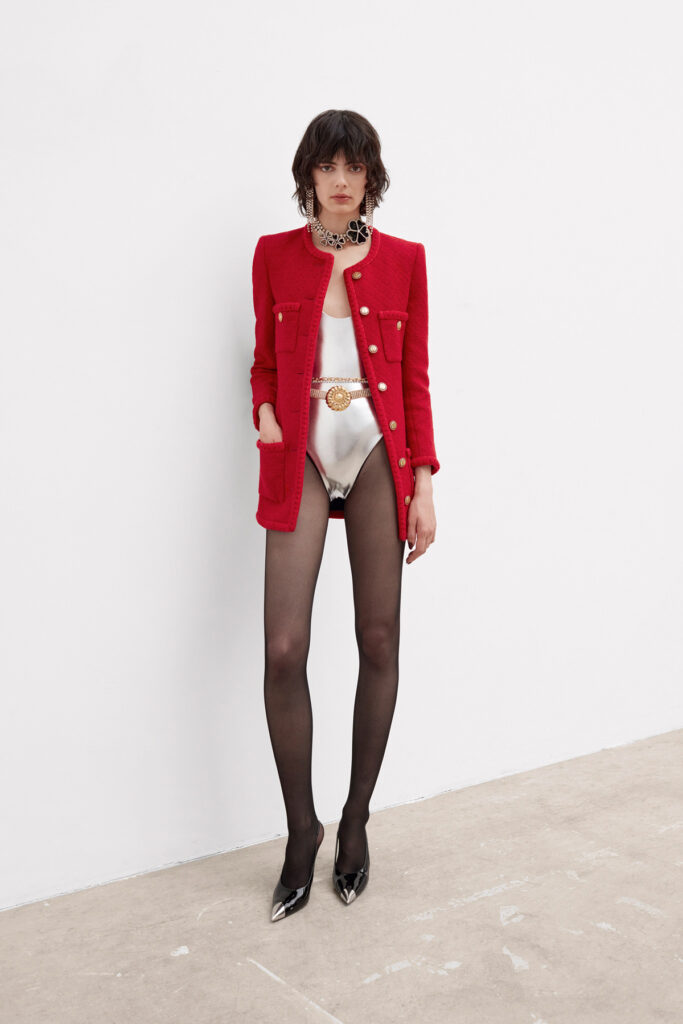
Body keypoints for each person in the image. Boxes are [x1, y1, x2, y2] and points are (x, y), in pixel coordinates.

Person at [249, 109, 440, 921]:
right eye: (326, 166)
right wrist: (264, 413)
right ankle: (303, 830)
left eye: (352, 166)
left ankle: (356, 821)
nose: (339, 179)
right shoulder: (272, 255)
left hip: (376, 454)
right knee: (283, 649)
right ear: (308, 175)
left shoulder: (404, 261)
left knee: (378, 637)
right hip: (298, 451)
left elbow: (414, 375)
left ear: (370, 177)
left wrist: (422, 482)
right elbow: (263, 361)